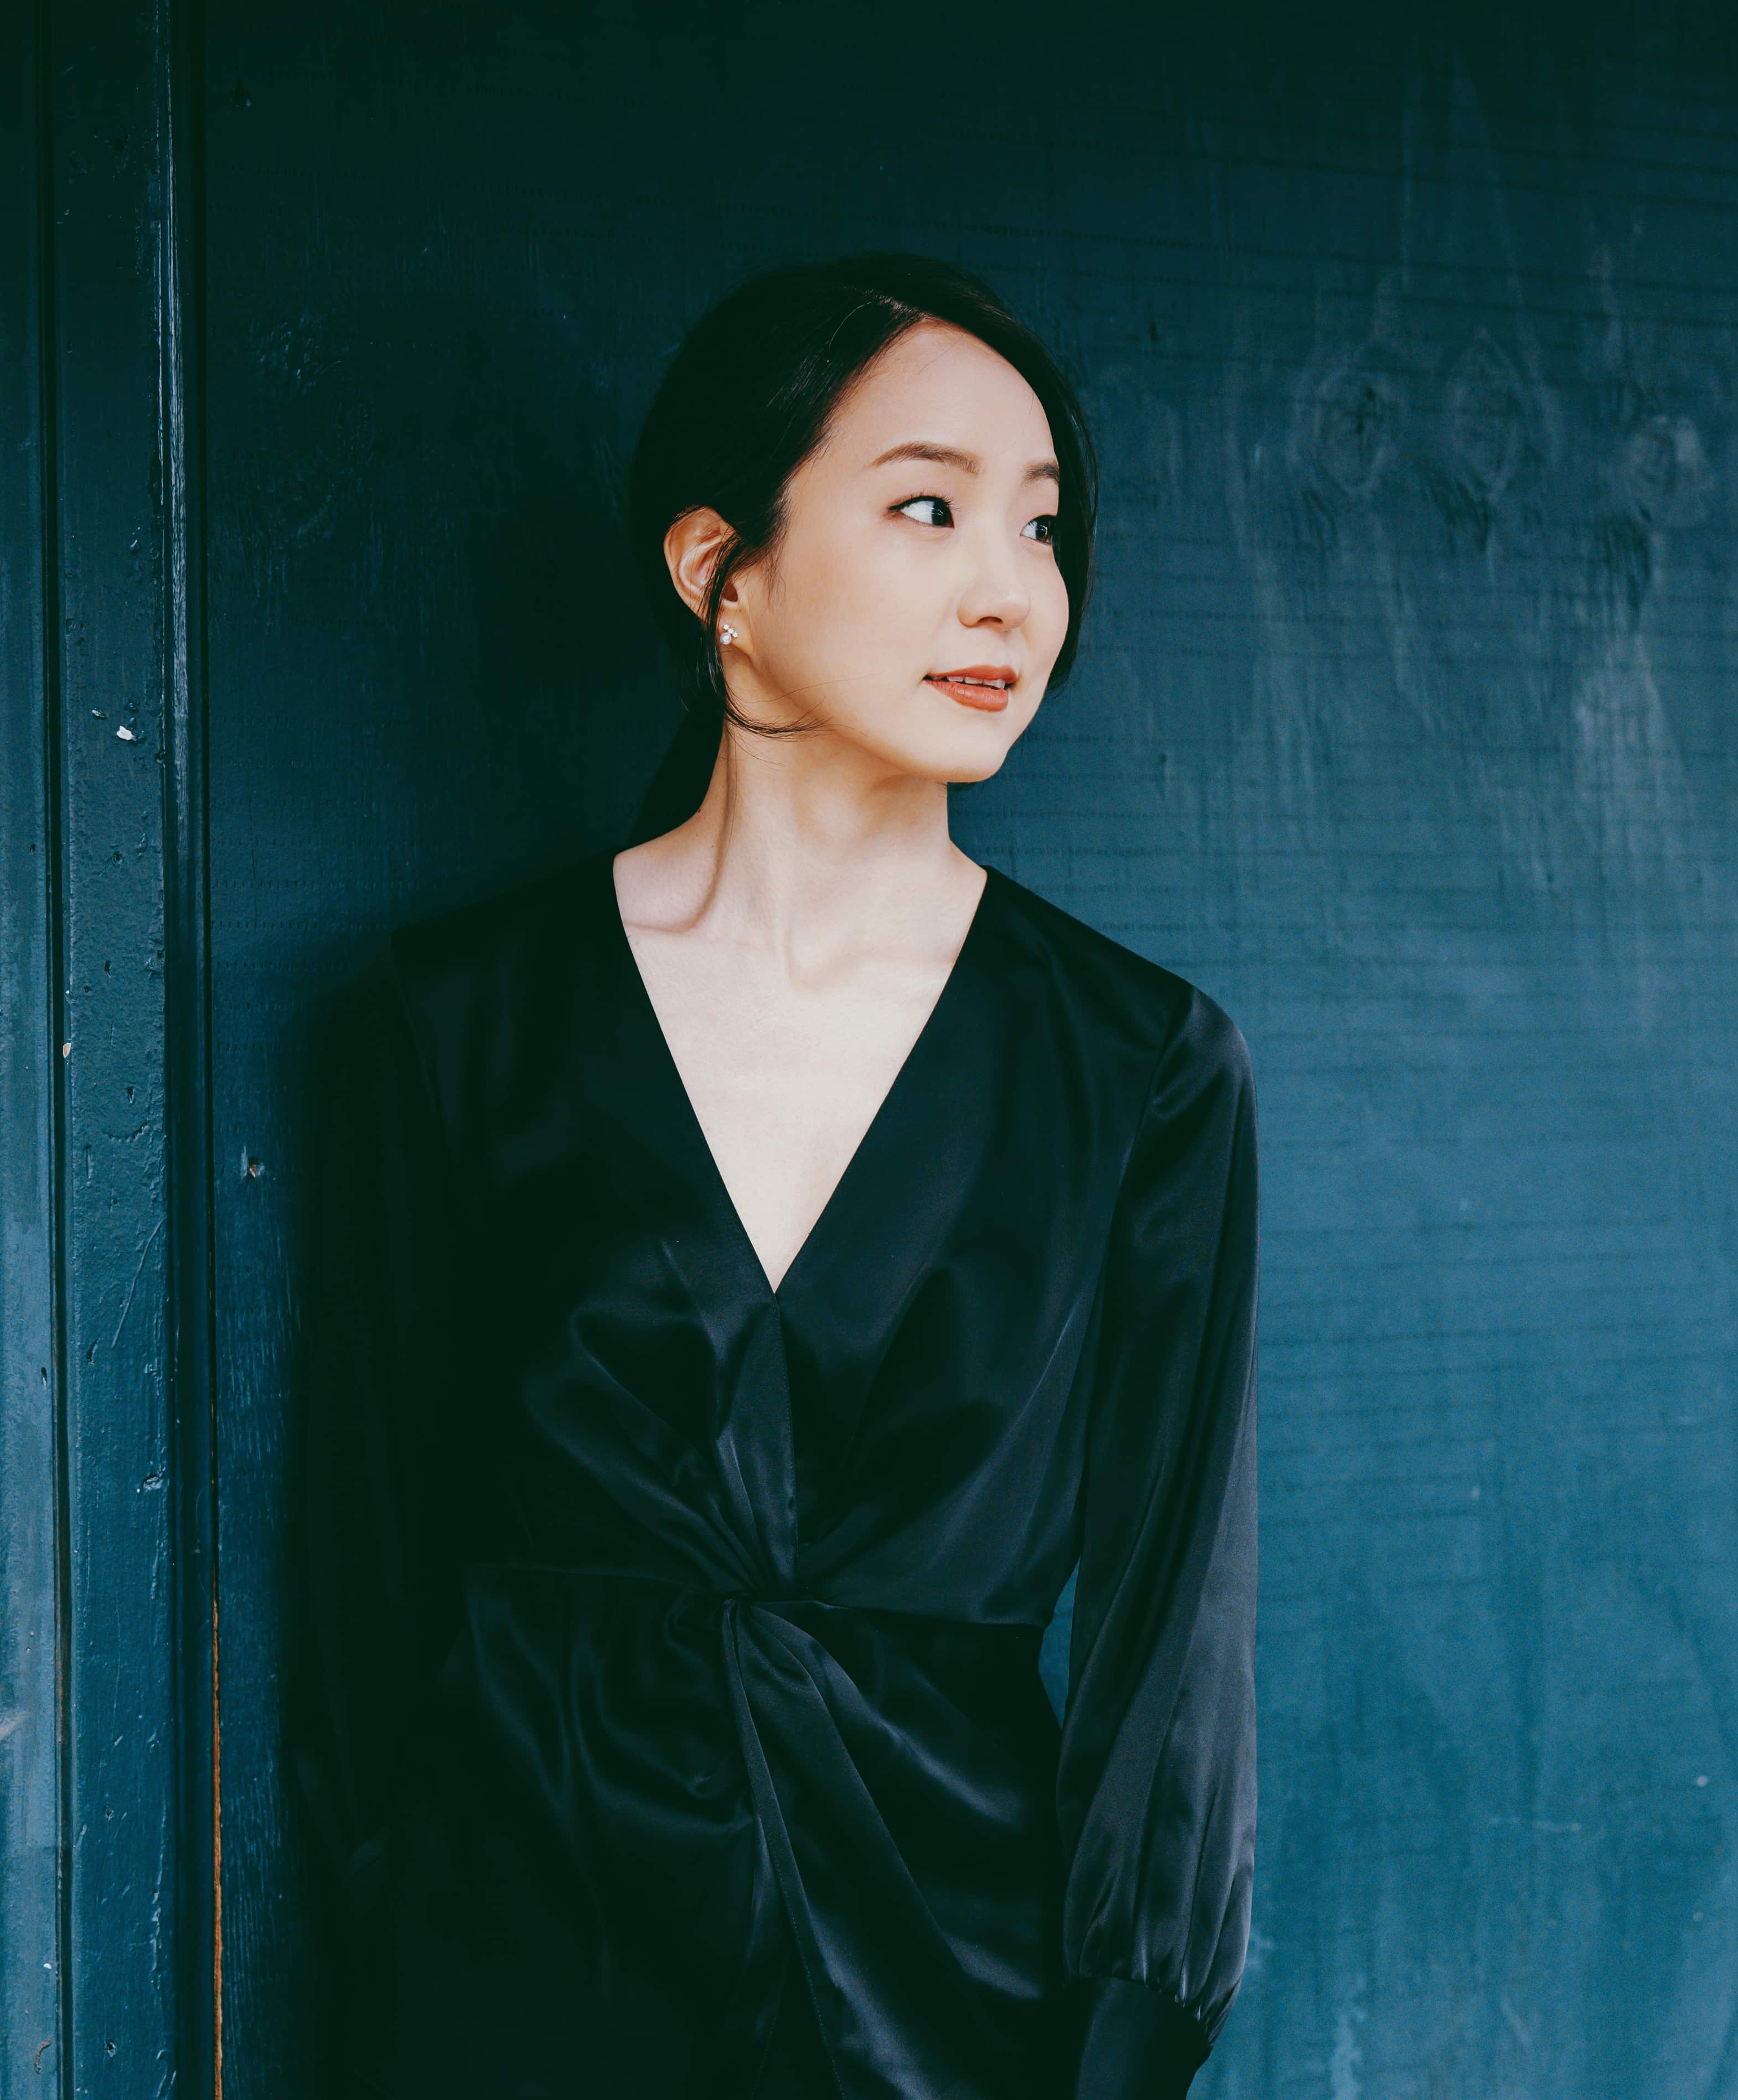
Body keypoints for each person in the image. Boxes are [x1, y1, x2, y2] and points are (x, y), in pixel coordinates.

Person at [293, 254, 1258, 2100]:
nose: (1010, 589)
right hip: (514, 1989)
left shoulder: (1142, 1071)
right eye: (928, 507)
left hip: (960, 1995)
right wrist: (401, 1922)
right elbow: (364, 1581)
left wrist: (1125, 2049)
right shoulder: (452, 1026)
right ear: (718, 570)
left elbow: (1171, 1651)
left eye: (1041, 527)